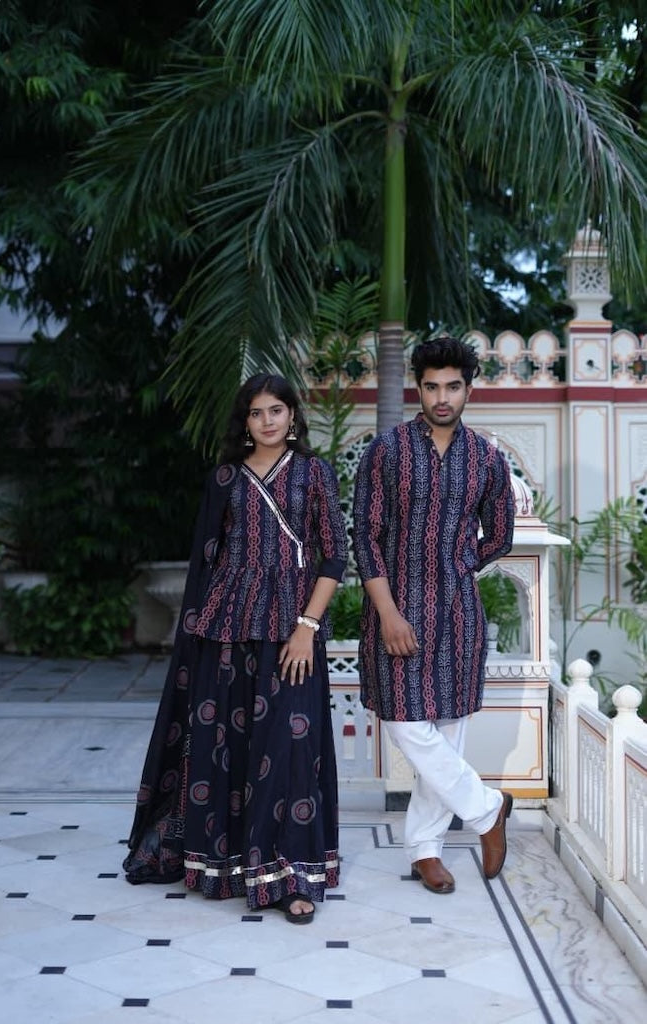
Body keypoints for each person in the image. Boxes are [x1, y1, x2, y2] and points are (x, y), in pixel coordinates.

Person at [124, 374, 348, 923]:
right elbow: (209, 556)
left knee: (292, 745)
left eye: (276, 410)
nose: (267, 420)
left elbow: (333, 557)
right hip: (226, 624)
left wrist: (306, 627)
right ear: (244, 422)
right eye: (255, 412)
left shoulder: (315, 473)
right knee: (229, 741)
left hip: (292, 626)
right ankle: (226, 866)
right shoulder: (225, 478)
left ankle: (293, 878)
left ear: (293, 415)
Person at [352, 336, 515, 894]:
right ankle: (488, 808)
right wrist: (390, 613)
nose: (442, 397)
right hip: (394, 611)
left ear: (468, 388)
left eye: (453, 386)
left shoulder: (487, 459)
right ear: (416, 387)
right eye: (431, 386)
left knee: (446, 733)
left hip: (457, 615)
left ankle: (425, 850)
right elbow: (366, 540)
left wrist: (459, 561)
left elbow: (500, 534)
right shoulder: (387, 451)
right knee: (406, 721)